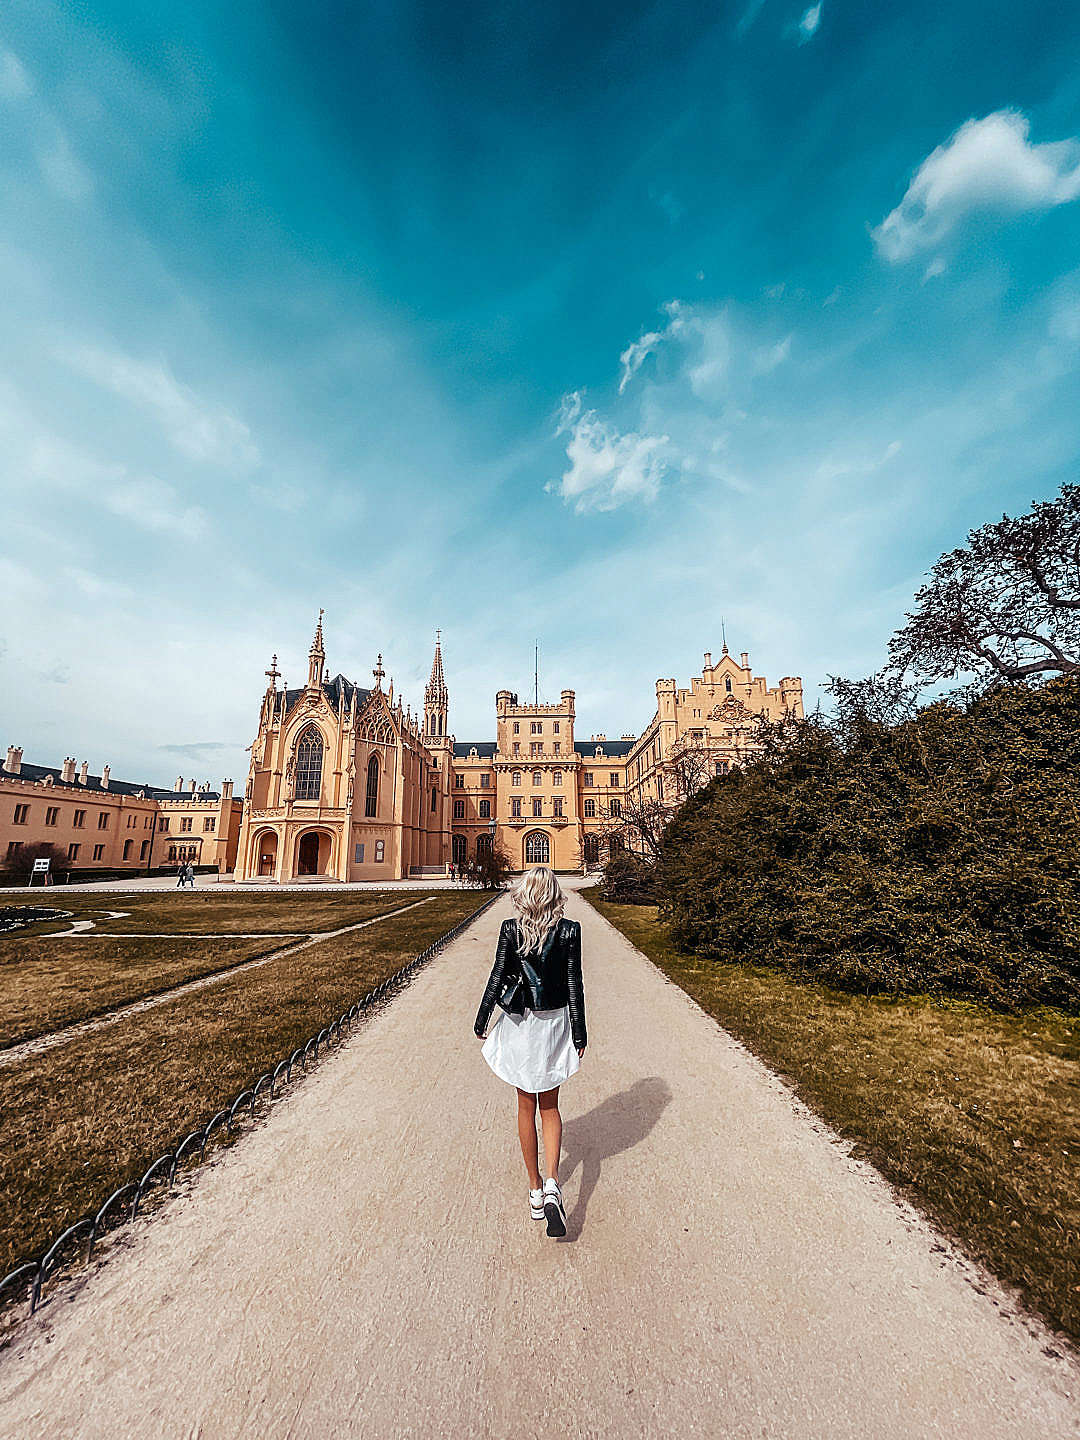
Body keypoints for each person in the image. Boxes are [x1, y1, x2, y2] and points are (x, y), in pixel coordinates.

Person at [474, 867, 586, 1238]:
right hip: (554, 1022)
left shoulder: (511, 928)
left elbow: (496, 974)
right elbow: (574, 982)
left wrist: (482, 1016)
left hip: (522, 1024)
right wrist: (580, 1030)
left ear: (524, 894)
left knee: (526, 1105)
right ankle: (554, 1182)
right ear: (555, 894)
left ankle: (536, 1188)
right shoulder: (570, 930)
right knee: (550, 1106)